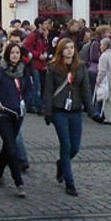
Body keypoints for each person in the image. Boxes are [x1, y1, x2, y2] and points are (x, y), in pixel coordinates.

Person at [43, 38, 94, 197]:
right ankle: (69, 182)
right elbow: (48, 91)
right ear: (61, 50)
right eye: (66, 48)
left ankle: (61, 164)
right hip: (59, 111)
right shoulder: (53, 68)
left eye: (72, 47)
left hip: (75, 110)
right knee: (65, 145)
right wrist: (48, 112)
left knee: (75, 147)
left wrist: (91, 110)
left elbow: (86, 89)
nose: (70, 50)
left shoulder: (81, 67)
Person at [0, 41, 33, 197]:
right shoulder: (0, 71)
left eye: (17, 53)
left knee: (8, 145)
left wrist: (26, 102)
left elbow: (28, 89)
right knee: (12, 146)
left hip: (17, 113)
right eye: (12, 52)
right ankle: (19, 182)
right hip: (3, 114)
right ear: (7, 54)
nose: (15, 55)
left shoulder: (24, 71)